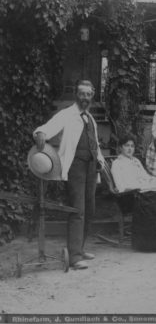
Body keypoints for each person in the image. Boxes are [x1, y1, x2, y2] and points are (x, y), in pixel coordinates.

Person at [33, 80, 104, 270]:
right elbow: (50, 126)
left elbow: (95, 144)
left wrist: (100, 161)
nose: (85, 98)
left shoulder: (90, 118)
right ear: (76, 95)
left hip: (90, 168)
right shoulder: (67, 114)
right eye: (82, 94)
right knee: (77, 210)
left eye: (88, 95)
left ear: (92, 96)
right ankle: (73, 257)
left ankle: (79, 248)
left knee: (90, 209)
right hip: (75, 168)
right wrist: (40, 133)